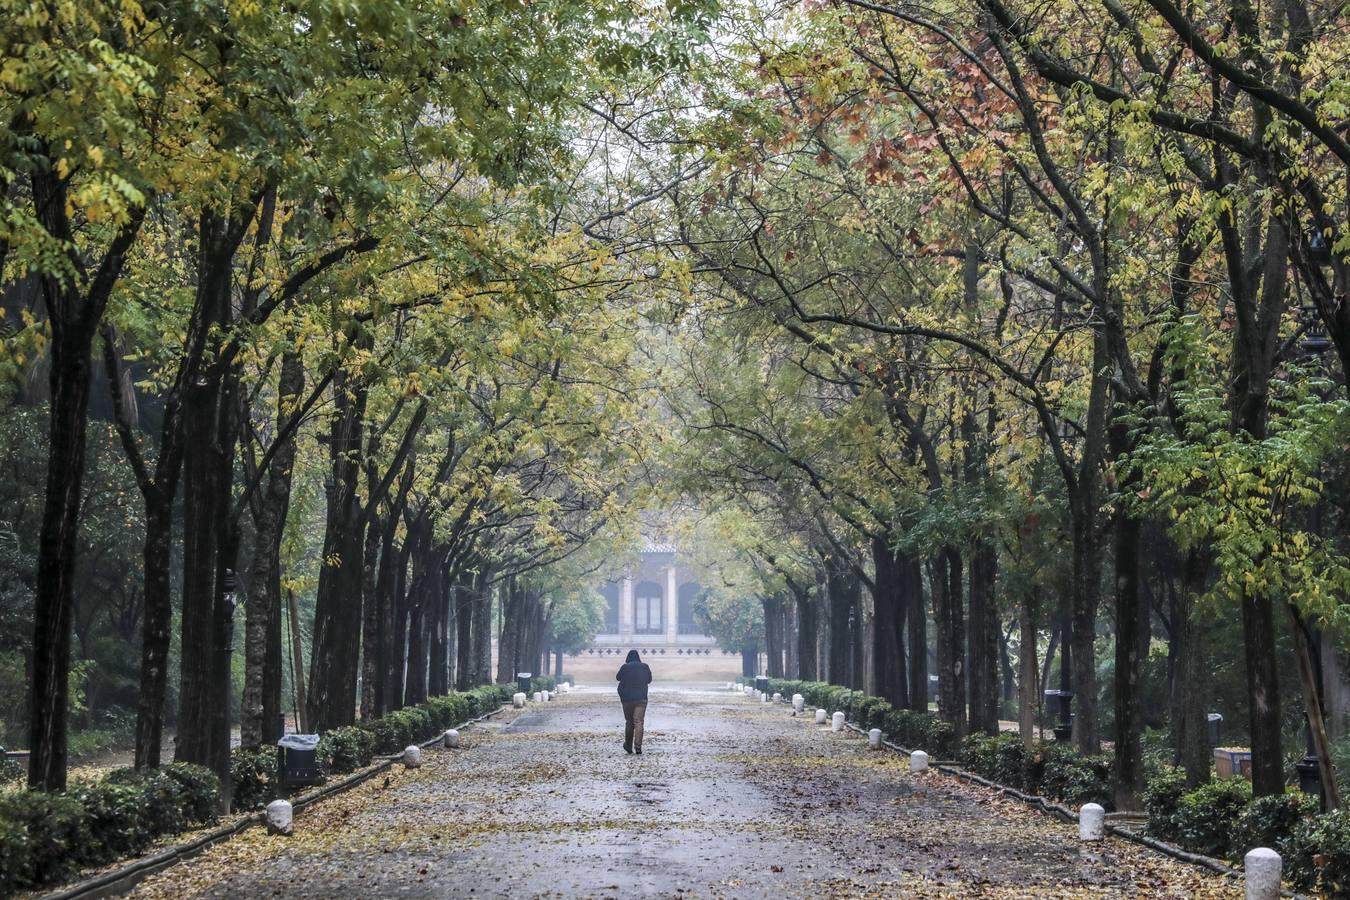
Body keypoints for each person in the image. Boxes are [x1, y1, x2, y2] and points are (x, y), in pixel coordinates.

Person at [616, 649, 653, 754]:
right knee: (639, 722)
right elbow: (649, 680)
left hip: (627, 699)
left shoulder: (625, 667)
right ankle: (638, 747)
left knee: (629, 722)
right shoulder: (645, 667)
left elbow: (618, 678)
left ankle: (628, 746)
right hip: (641, 698)